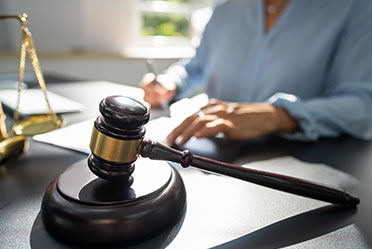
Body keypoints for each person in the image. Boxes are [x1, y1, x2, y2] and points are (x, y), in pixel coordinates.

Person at [140, 0, 372, 146]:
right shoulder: (225, 9)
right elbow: (197, 66)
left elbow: (362, 106)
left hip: (298, 164)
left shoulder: (355, 8)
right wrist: (171, 82)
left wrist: (278, 116)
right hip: (213, 152)